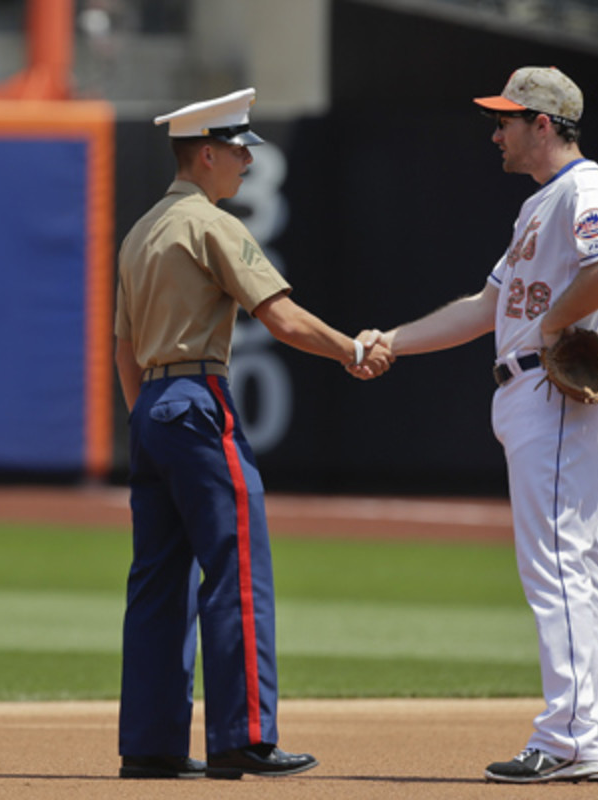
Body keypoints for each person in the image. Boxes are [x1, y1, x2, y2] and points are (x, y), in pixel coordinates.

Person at [114, 88, 391, 780]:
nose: (244, 161)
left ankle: (150, 746)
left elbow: (122, 346)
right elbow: (283, 319)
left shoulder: (142, 229)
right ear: (205, 153)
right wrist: (352, 351)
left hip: (149, 405)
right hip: (197, 396)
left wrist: (144, 417)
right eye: (237, 149)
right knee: (235, 566)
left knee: (156, 580)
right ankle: (243, 738)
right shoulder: (213, 224)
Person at [367, 66, 598, 784]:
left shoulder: (586, 187)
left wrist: (554, 323)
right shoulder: (539, 207)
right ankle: (583, 735)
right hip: (530, 394)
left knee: (559, 564)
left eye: (507, 120)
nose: (496, 133)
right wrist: (394, 337)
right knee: (572, 560)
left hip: (553, 392)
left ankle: (572, 738)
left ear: (543, 125)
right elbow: (485, 308)